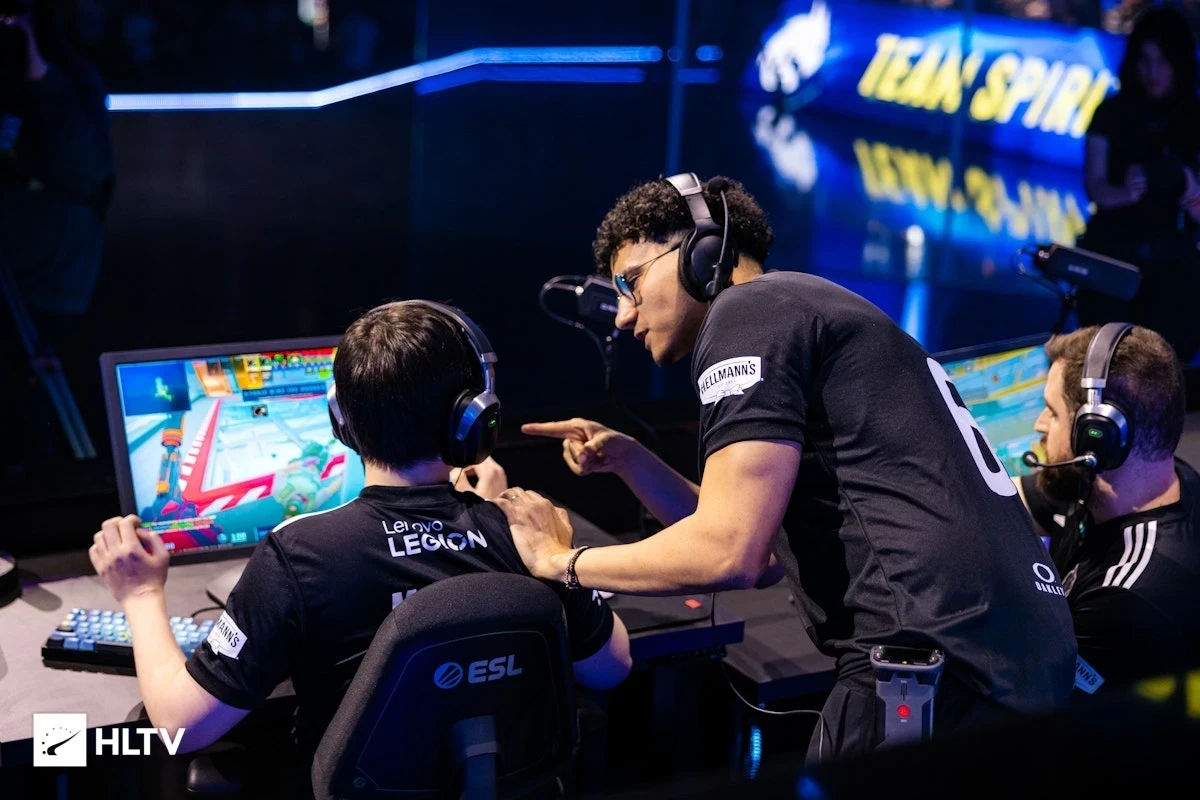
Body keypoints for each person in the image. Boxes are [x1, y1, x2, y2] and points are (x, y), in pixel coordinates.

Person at [495, 173, 1077, 761]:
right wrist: (631, 462)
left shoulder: (747, 312)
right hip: (1011, 657)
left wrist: (561, 561)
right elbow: (766, 549)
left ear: (701, 251)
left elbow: (731, 552)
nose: (623, 315)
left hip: (927, 662)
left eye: (631, 281)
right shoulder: (806, 306)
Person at [87, 301, 632, 780]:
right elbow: (611, 667)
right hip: (507, 782)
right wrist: (498, 523)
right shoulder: (529, 535)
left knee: (67, 743)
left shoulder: (299, 555)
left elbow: (179, 727)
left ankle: (50, 754)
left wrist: (141, 594)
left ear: (340, 419)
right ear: (472, 420)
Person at [1015, 324, 1200, 693]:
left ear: (1097, 436)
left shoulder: (1126, 600)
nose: (1039, 425)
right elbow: (1006, 500)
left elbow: (1039, 699)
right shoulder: (1112, 481)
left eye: (1052, 412)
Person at [1077, 5, 1200, 363]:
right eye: (1145, 60)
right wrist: (1125, 191)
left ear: (1179, 62)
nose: (1153, 72)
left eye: (1163, 61)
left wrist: (1188, 186)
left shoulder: (1194, 118)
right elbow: (1094, 187)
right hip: (1114, 255)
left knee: (1171, 358)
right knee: (1108, 356)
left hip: (1175, 264)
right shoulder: (1111, 113)